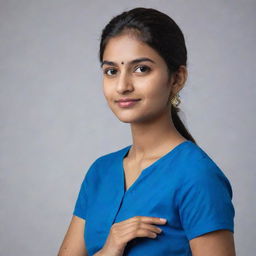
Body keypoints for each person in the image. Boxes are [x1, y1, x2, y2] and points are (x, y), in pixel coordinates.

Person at [58, 7, 236, 256]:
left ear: (177, 79)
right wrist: (109, 250)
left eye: (141, 69)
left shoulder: (197, 176)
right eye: (111, 71)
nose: (122, 86)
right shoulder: (101, 171)